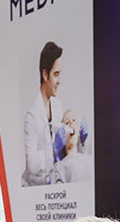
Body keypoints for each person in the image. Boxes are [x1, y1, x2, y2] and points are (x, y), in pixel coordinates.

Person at [22, 41, 81, 187]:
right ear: (45, 74)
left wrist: (80, 140)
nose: (59, 81)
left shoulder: (57, 106)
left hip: (53, 183)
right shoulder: (31, 116)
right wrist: (53, 149)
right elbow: (32, 164)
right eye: (56, 74)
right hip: (34, 185)